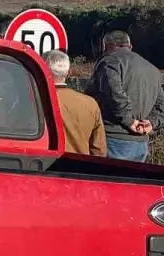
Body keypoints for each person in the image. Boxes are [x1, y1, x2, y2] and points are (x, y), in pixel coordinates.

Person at [86, 30, 164, 162]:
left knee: (108, 181)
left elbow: (114, 93)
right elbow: (161, 103)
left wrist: (129, 121)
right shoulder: (152, 69)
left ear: (105, 46)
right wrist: (152, 122)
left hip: (113, 137)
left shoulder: (109, 62)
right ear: (130, 45)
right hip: (141, 143)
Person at [44, 50, 106, 156]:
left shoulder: (36, 101)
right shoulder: (90, 103)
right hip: (78, 167)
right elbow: (99, 150)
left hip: (44, 165)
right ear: (69, 72)